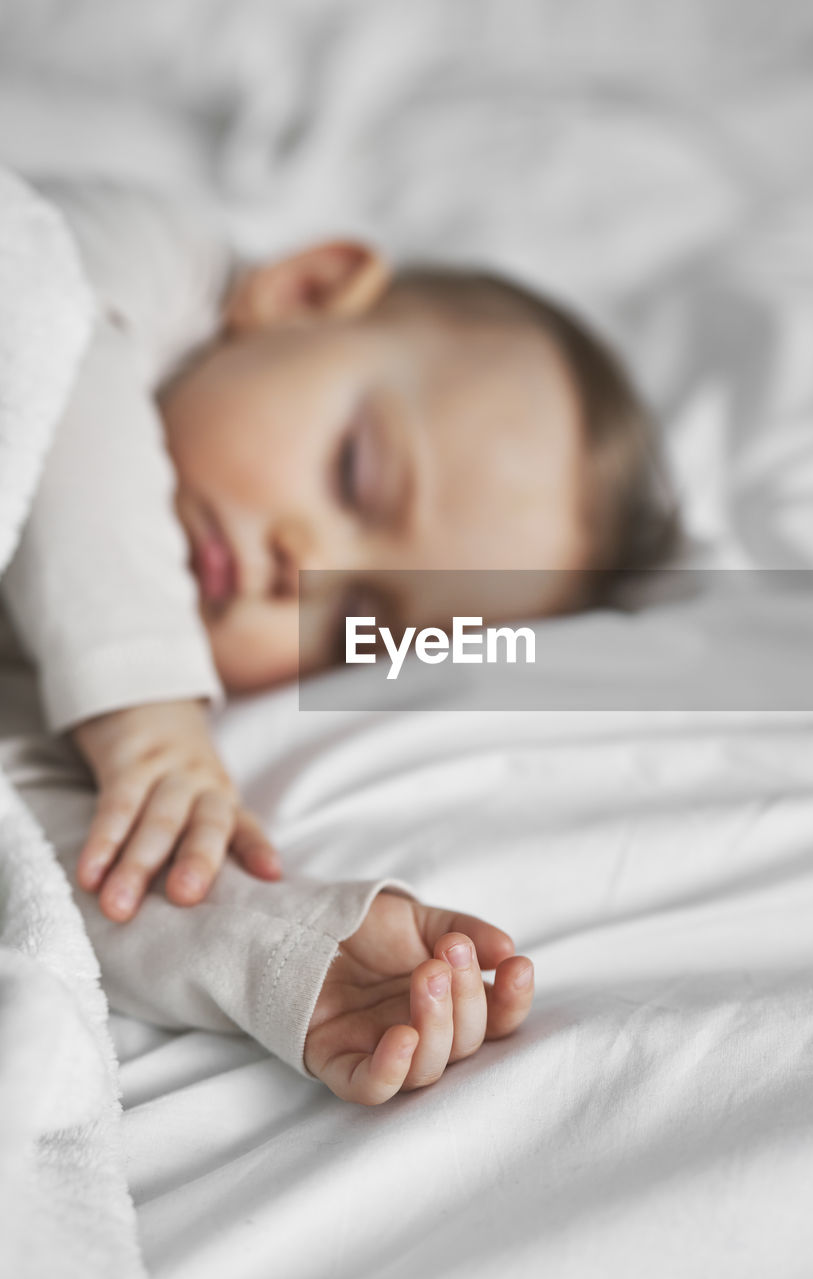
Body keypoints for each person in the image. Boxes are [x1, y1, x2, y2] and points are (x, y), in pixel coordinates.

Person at [0, 179, 677, 1103]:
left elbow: (46, 849)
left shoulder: (73, 694)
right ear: (307, 295)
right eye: (353, 473)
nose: (301, 565)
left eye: (358, 610)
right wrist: (143, 699)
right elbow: (43, 319)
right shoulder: (148, 259)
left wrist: (287, 953)